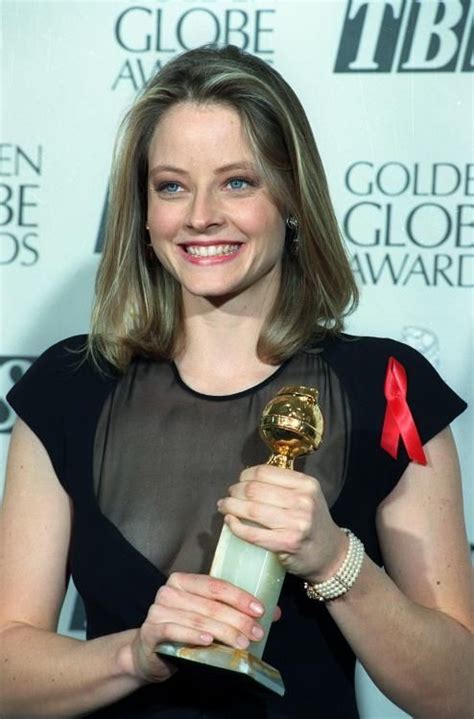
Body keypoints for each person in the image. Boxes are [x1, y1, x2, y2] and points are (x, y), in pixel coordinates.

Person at [0, 44, 472, 719]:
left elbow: (460, 693)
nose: (199, 215)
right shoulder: (68, 388)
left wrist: (336, 560)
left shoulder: (388, 387)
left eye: (237, 182)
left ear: (291, 195)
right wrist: (134, 654)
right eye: (171, 185)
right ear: (142, 211)